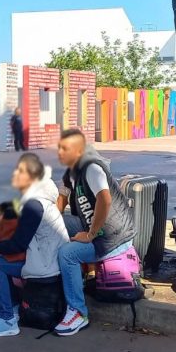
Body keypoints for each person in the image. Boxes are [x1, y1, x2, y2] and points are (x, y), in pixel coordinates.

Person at [0, 153, 69, 338]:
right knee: (0, 260)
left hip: (45, 267)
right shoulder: (44, 198)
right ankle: (11, 307)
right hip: (50, 261)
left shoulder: (34, 205)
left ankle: (7, 319)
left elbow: (18, 244)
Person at [56, 129, 136, 336]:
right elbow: (61, 201)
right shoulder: (71, 173)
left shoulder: (91, 168)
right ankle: (71, 278)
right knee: (55, 226)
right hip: (99, 232)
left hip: (113, 237)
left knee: (67, 254)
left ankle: (77, 312)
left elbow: (105, 199)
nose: (60, 153)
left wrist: (90, 235)